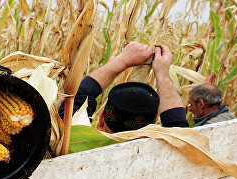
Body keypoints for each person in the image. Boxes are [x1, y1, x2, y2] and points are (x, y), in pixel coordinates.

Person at [59, 41, 188, 132]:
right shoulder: (169, 156)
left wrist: (123, 60)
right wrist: (163, 74)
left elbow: (78, 95)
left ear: (101, 119)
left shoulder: (69, 142)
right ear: (151, 127)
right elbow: (177, 128)